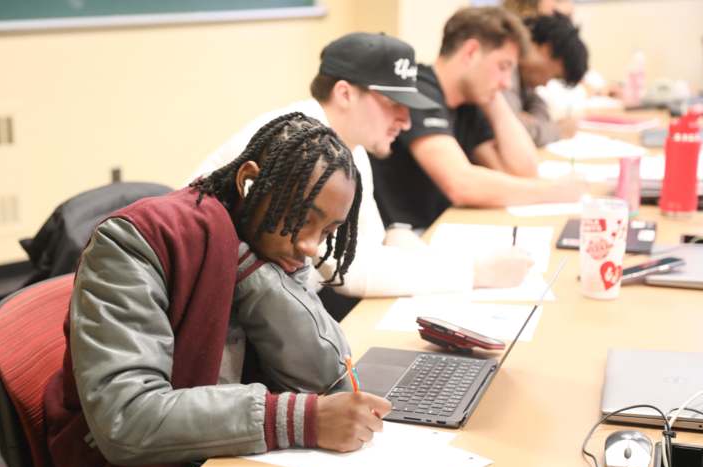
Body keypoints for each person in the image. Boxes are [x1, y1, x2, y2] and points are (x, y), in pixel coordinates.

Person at [44, 113, 417, 467]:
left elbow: (330, 378)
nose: (313, 246)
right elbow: (126, 419)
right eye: (304, 219)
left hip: (227, 464)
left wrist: (255, 275)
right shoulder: (136, 241)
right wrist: (300, 419)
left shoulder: (264, 246)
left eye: (328, 229)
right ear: (250, 182)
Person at [193, 32, 534, 311]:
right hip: (221, 326)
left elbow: (363, 249)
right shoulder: (304, 148)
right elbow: (350, 271)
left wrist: (400, 242)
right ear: (345, 94)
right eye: (393, 105)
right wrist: (476, 271)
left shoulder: (348, 146)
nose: (406, 120)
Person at [371, 6, 590, 232]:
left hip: (443, 226)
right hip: (405, 237)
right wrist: (553, 192)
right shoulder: (418, 90)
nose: (507, 82)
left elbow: (523, 171)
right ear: (471, 53)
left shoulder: (470, 101)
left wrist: (493, 100)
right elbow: (461, 184)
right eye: (503, 66)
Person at [504, 13, 589, 146]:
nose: (545, 84)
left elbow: (538, 104)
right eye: (555, 76)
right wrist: (558, 130)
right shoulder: (505, 66)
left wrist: (533, 123)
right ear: (546, 49)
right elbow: (510, 132)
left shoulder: (523, 74)